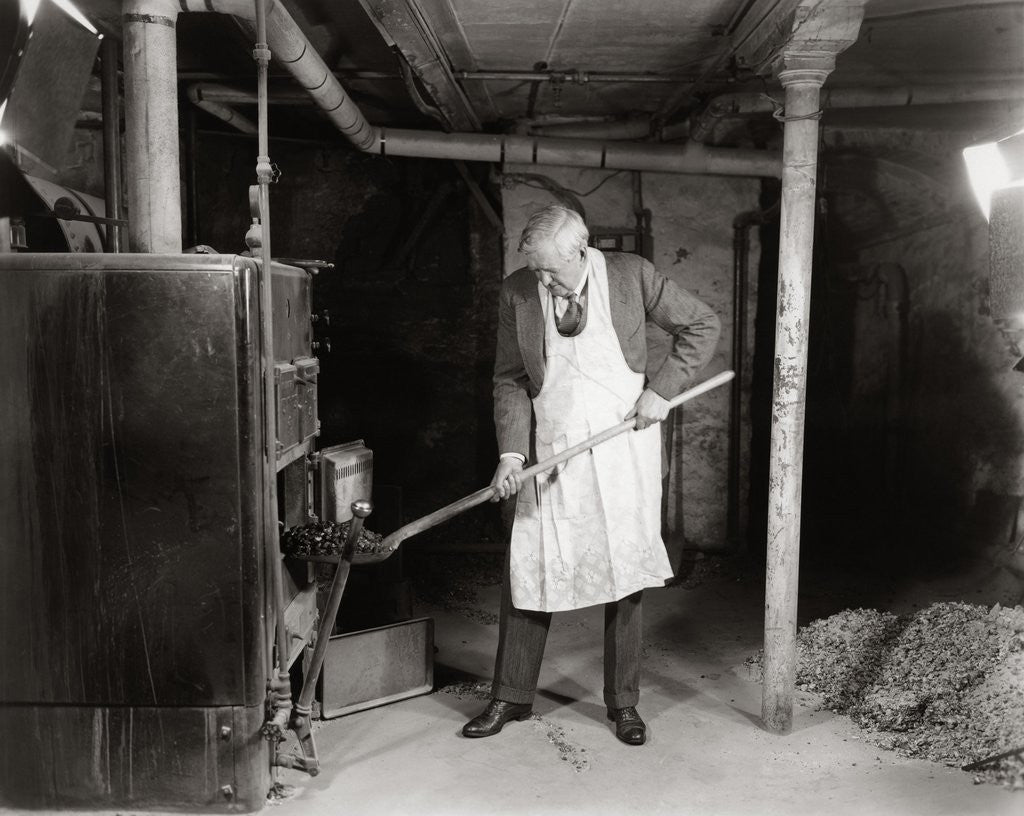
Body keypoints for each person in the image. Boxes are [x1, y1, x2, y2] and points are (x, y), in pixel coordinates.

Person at [463, 204, 720, 746]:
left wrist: (661, 391)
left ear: (580, 251)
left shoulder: (631, 276)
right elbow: (509, 379)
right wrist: (512, 454)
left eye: (550, 270)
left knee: (623, 575)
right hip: (553, 449)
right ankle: (510, 695)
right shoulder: (517, 291)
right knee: (532, 567)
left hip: (624, 447)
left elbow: (701, 323)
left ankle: (623, 703)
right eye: (534, 270)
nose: (542, 281)